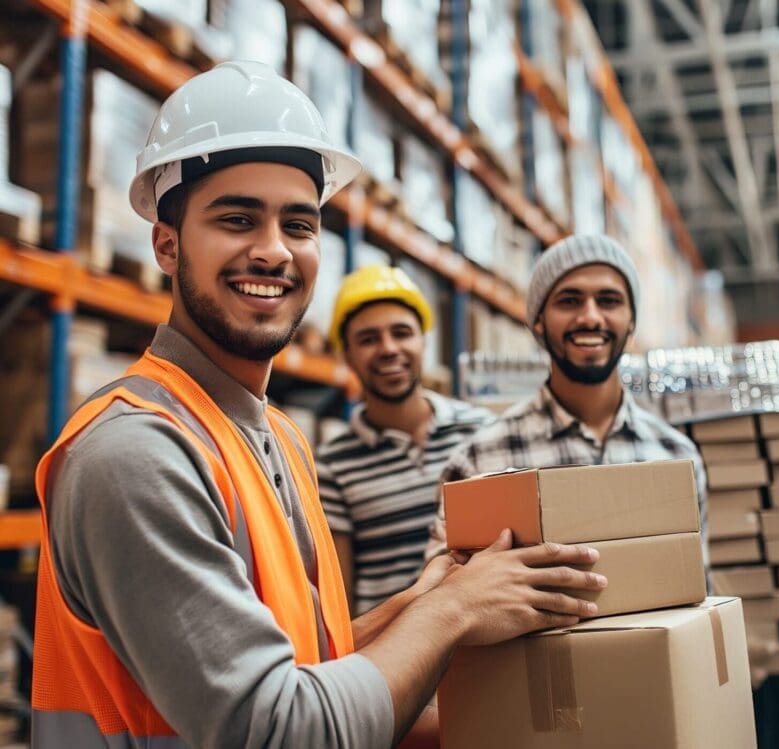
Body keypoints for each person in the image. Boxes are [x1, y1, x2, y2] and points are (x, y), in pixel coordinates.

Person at [31, 62, 608, 748]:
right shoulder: (134, 455)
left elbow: (306, 662)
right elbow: (279, 728)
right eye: (238, 217)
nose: (273, 250)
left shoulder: (273, 435)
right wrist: (453, 611)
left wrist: (418, 602)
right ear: (166, 243)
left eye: (298, 224)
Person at [427, 234, 707, 558]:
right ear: (538, 322)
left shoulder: (676, 457)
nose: (590, 317)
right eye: (569, 301)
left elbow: (698, 594)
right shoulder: (476, 462)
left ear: (631, 322)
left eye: (609, 300)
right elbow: (446, 594)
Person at [316, 265, 493, 614]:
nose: (388, 349)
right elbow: (341, 601)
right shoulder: (331, 466)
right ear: (346, 355)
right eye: (368, 339)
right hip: (395, 655)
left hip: (480, 637)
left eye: (402, 333)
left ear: (424, 341)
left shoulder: (482, 432)